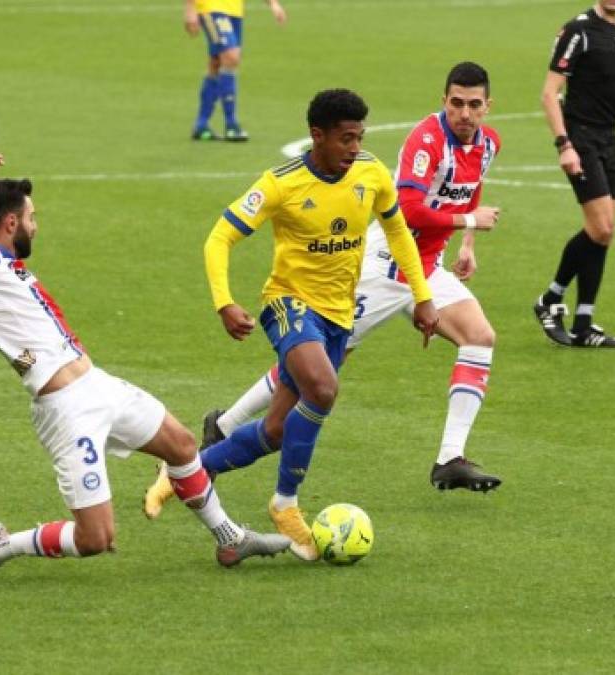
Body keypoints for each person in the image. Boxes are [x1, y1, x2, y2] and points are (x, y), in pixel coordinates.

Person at [0, 152, 291, 576]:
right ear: (12, 224)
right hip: (64, 410)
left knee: (182, 444)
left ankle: (230, 540)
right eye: (32, 217)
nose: (37, 224)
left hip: (96, 384)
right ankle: (0, 546)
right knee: (96, 539)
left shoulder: (0, 263)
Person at [145, 89, 438, 560]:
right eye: (345, 138)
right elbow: (219, 237)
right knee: (322, 390)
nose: (353, 148)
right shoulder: (281, 184)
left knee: (279, 430)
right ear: (317, 135)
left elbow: (399, 230)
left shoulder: (371, 173)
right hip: (289, 305)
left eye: (359, 138)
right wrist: (224, 302)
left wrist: (422, 296)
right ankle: (285, 504)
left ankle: (185, 472)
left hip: (339, 316)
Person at [193, 62, 505, 493]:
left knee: (480, 337)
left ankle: (450, 457)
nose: (465, 113)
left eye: (474, 105)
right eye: (457, 103)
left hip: (425, 268)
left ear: (488, 106)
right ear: (444, 101)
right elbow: (408, 211)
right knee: (318, 365)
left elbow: (469, 187)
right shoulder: (426, 141)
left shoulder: (488, 144)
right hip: (381, 266)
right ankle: (226, 426)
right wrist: (468, 218)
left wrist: (467, 242)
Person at [532, 0, 615, 348]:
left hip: (609, 140)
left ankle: (584, 322)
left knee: (604, 232)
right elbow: (549, 93)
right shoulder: (578, 30)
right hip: (581, 137)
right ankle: (550, 299)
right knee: (601, 226)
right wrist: (564, 145)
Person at [184, 0, 286, 141]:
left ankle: (201, 125)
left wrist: (273, 4)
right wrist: (190, 8)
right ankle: (231, 125)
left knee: (216, 63)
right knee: (231, 57)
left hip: (234, 10)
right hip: (211, 7)